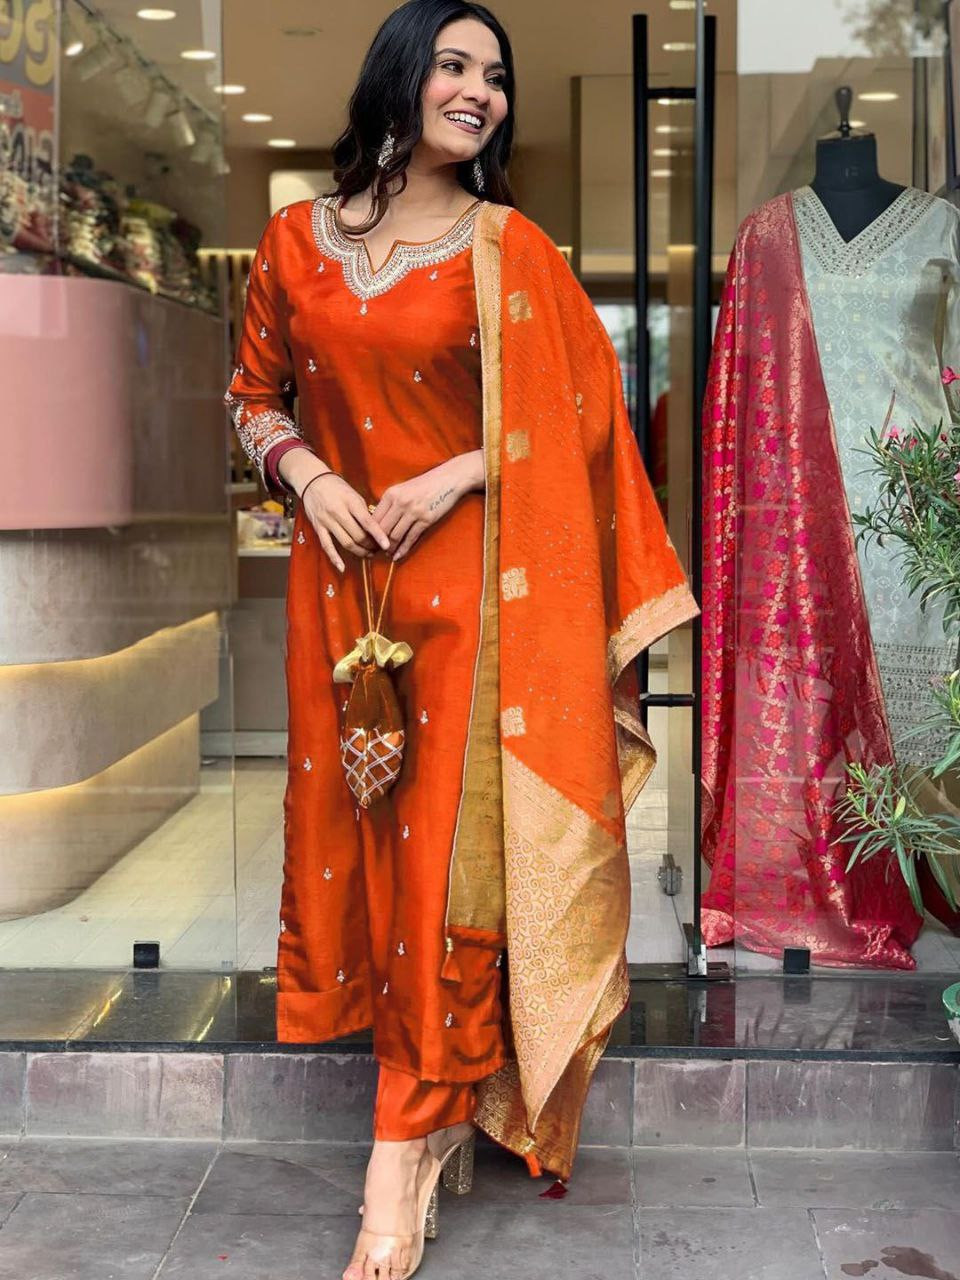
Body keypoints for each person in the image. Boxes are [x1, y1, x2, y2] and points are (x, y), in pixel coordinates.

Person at [225, 2, 697, 1276]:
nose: (479, 90)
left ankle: (400, 1144)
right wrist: (310, 474)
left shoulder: (509, 247)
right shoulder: (292, 241)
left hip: (477, 595)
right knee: (360, 850)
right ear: (400, 75)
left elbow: (586, 417)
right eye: (454, 64)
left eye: (496, 75)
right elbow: (252, 393)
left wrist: (458, 471)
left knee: (445, 866)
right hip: (340, 591)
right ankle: (437, 1106)